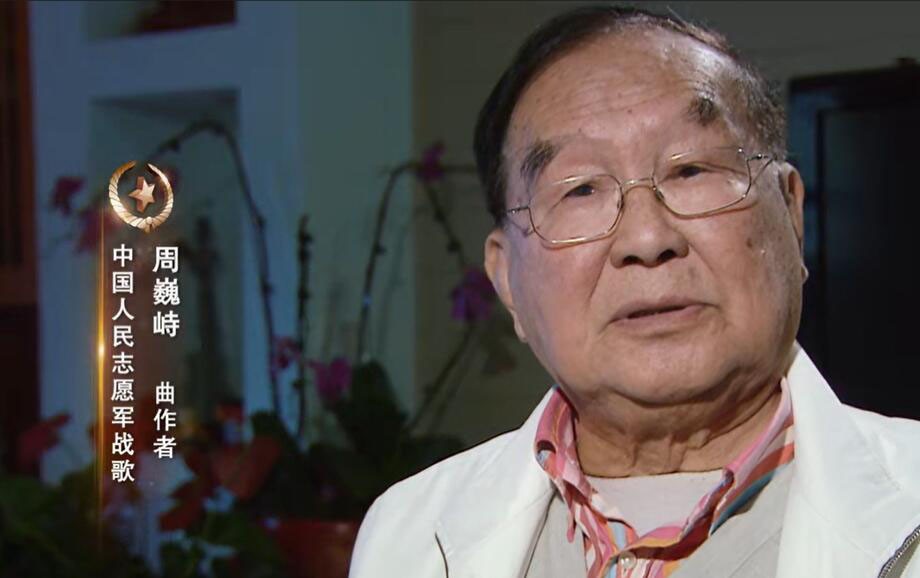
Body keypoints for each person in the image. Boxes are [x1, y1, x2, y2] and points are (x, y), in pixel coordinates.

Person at [348, 6, 920, 578]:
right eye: (580, 190)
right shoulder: (406, 536)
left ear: (791, 217)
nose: (647, 239)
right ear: (506, 280)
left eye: (691, 169)